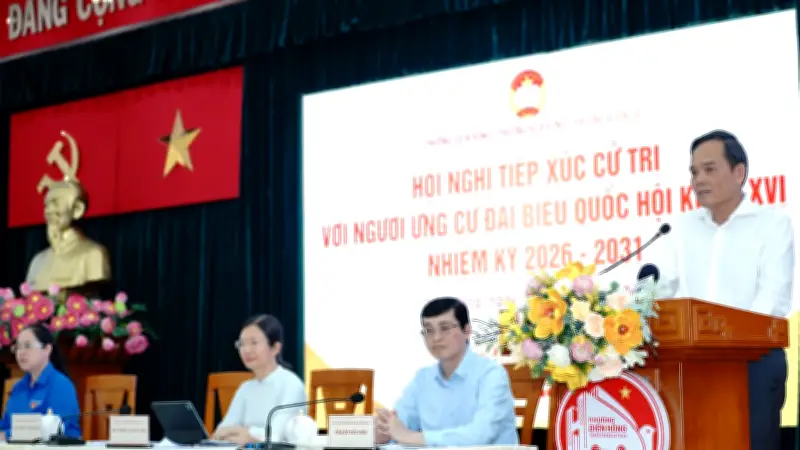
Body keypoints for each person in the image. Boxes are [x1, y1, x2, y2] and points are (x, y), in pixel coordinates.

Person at [649, 129, 793, 450]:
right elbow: (660, 287)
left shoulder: (772, 224)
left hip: (753, 363)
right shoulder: (679, 227)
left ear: (738, 173)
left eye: (709, 169)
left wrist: (722, 339)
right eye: (694, 172)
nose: (699, 179)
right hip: (690, 365)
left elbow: (773, 300)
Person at [374, 297, 518, 446]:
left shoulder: (491, 375)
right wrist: (383, 433)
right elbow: (397, 427)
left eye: (445, 328)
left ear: (467, 330)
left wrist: (411, 437)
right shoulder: (422, 379)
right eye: (429, 330)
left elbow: (481, 434)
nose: (436, 338)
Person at [213, 314, 306, 445]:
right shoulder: (245, 388)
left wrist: (244, 433)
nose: (246, 350)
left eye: (254, 343)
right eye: (242, 344)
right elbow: (221, 432)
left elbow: (275, 436)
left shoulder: (291, 384)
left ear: (275, 348)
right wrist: (247, 434)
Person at [0, 323, 81, 439]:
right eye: (17, 347)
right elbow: (5, 425)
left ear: (47, 349)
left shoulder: (61, 386)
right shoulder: (18, 388)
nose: (21, 352)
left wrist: (7, 435)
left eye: (27, 346)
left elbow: (53, 429)